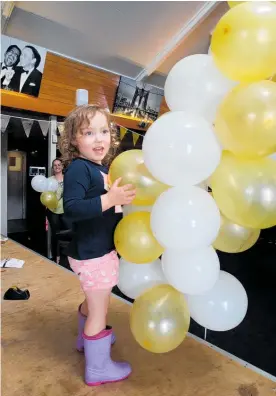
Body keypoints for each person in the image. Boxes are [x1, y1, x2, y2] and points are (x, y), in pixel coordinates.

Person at [60, 105, 136, 386]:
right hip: (93, 254)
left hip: (97, 250)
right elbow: (72, 209)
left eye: (104, 131)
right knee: (99, 311)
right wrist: (110, 199)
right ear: (74, 140)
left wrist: (118, 199)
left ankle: (86, 338)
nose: (99, 138)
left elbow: (105, 208)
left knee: (94, 302)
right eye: (89, 132)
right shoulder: (79, 169)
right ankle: (98, 368)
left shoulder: (100, 169)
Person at [46, 158, 67, 262]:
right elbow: (46, 196)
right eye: (55, 165)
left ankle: (65, 257)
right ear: (53, 168)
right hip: (53, 211)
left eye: (59, 165)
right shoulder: (49, 180)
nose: (57, 167)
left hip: (66, 210)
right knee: (55, 234)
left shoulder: (68, 179)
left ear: (62, 166)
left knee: (66, 233)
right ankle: (56, 258)